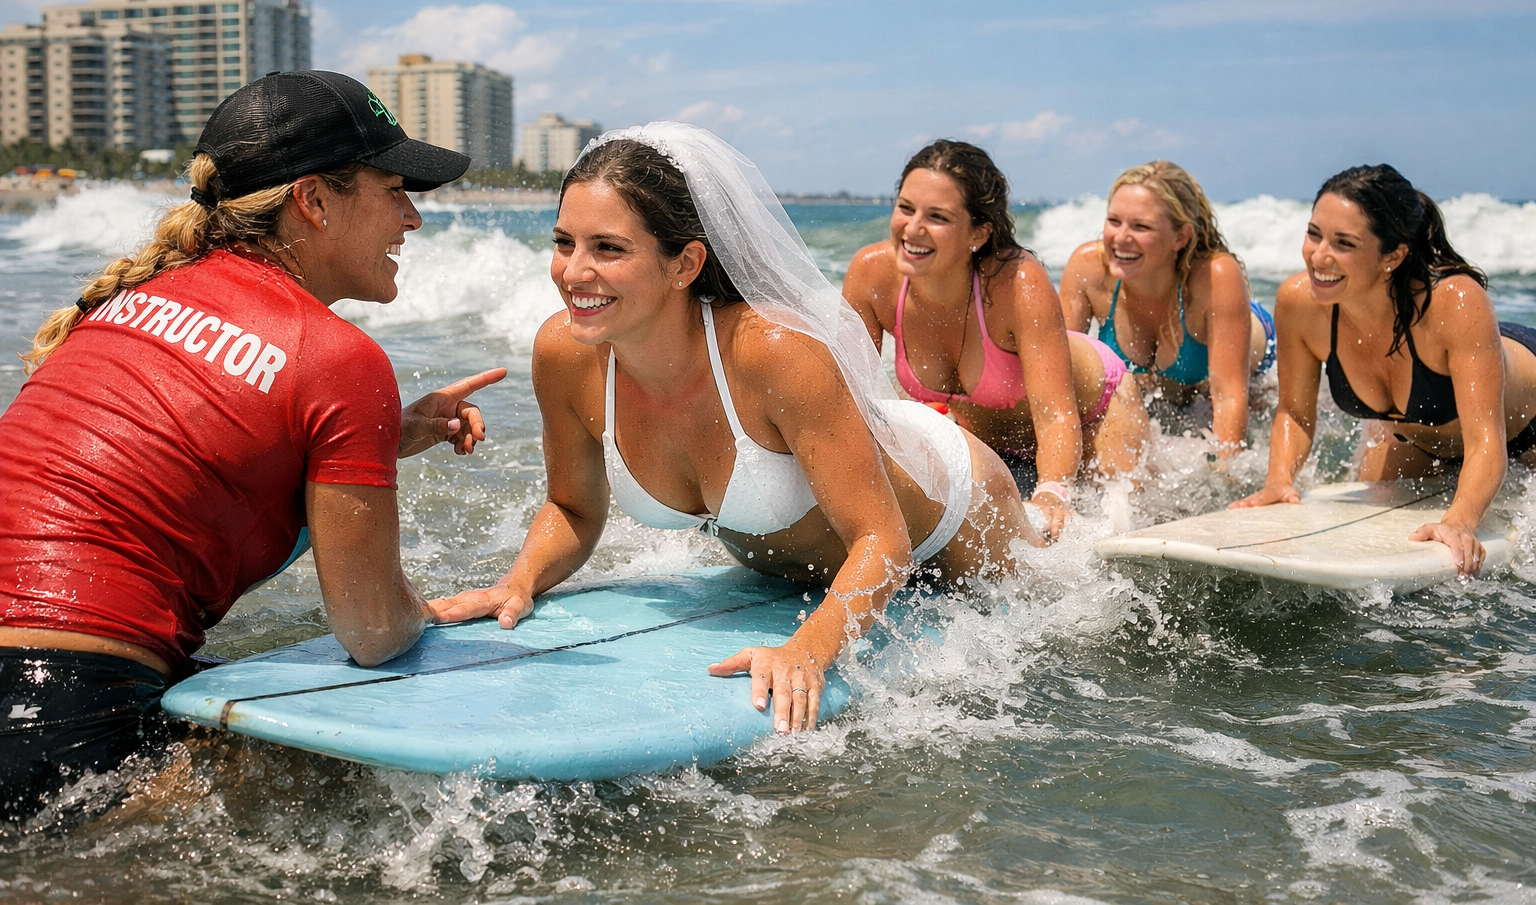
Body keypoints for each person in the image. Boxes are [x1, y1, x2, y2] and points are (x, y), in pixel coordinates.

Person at [0, 71, 504, 820]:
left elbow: (162, 452)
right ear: (314, 200)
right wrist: (419, 611)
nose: (412, 219)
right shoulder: (336, 355)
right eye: (394, 188)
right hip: (61, 713)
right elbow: (371, 635)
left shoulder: (128, 301)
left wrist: (375, 440)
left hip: (38, 693)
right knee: (369, 788)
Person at [432, 123, 1035, 735]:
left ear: (686, 263)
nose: (573, 272)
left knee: (1053, 634)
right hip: (804, 552)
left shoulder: (774, 354)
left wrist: (810, 649)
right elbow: (573, 506)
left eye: (608, 249)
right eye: (564, 243)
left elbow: (883, 541)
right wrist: (519, 581)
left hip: (955, 519)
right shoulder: (564, 354)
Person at [1231, 164, 1536, 575]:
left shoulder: (1455, 301)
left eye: (1344, 243)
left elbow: (1486, 440)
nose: (1319, 255)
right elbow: (1295, 413)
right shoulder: (1301, 303)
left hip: (1522, 430)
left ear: (1392, 256)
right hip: (1420, 437)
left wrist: (1460, 521)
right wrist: (1278, 480)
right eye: (1313, 233)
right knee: (1374, 502)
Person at [841, 140, 1147, 539]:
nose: (912, 229)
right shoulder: (872, 276)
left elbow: (1057, 416)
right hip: (993, 444)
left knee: (1112, 530)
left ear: (979, 233)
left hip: (1094, 417)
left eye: (937, 217)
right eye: (905, 208)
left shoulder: (1017, 282)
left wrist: (1053, 493)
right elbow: (852, 400)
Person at [1059, 161, 1276, 460]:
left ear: (1180, 237)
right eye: (1114, 221)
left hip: (1247, 350)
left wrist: (1226, 478)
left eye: (1141, 226)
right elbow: (1059, 379)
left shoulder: (1216, 276)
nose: (1120, 238)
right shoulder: (1088, 269)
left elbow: (1227, 396)